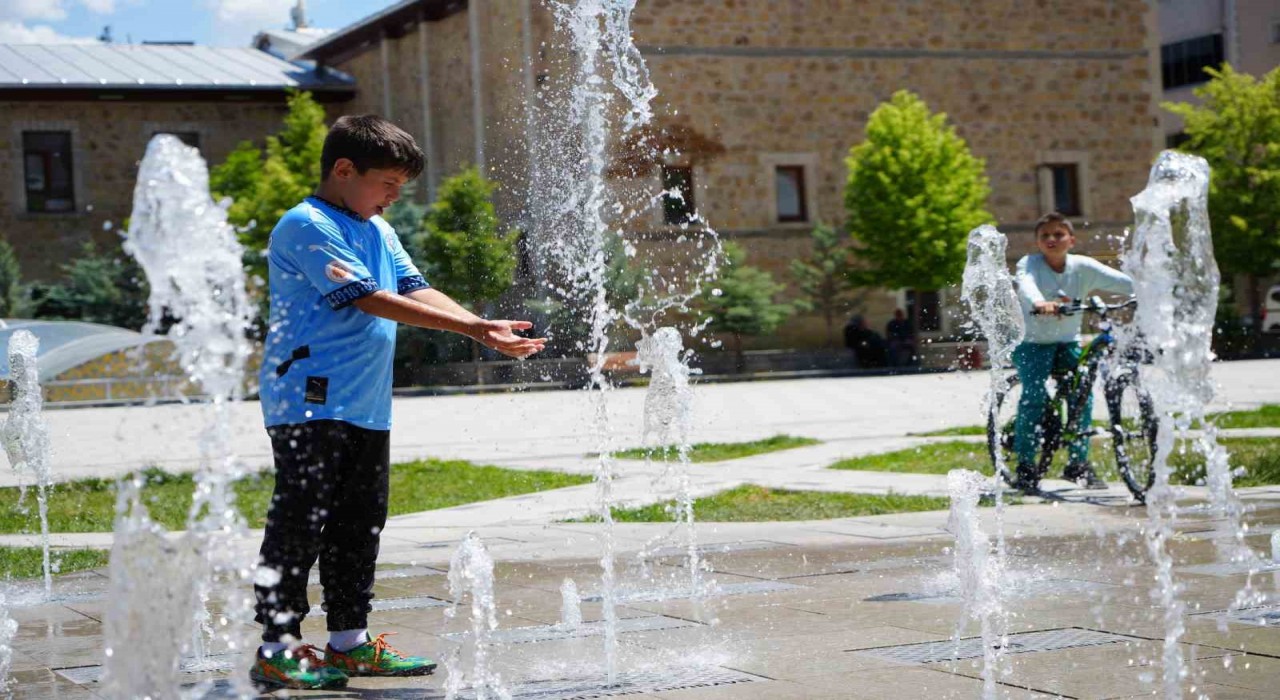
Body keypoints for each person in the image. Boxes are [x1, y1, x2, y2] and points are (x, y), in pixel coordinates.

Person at [250, 115, 545, 690]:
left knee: (360, 522)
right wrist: (475, 330)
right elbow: (368, 298)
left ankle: (349, 642)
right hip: (309, 399)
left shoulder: (378, 230)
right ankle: (277, 645)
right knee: (300, 521)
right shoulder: (306, 224)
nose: (393, 196)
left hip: (364, 402)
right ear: (343, 170)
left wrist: (479, 324)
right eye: (386, 183)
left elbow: (412, 286)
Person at [1011, 212, 1132, 492]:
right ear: (1037, 243)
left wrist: (1148, 291)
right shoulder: (1029, 264)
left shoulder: (1082, 267)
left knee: (1081, 396)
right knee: (1034, 397)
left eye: (1058, 234)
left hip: (1067, 342)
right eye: (1045, 236)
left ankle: (1077, 464)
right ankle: (1026, 466)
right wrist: (1041, 302)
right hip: (1032, 343)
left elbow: (1121, 282)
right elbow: (1026, 285)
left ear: (1071, 240)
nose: (1052, 239)